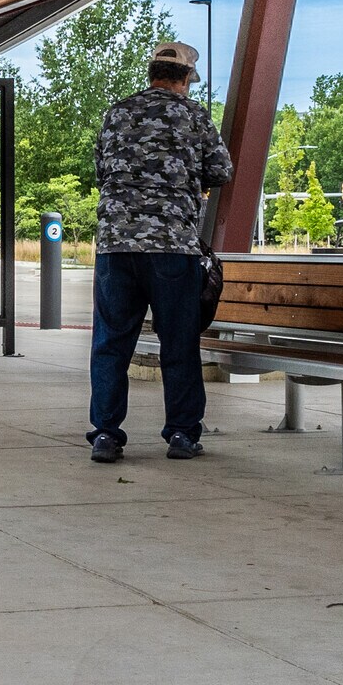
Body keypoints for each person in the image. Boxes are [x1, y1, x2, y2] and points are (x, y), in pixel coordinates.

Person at [87, 42, 233, 463]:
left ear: (152, 72)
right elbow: (221, 171)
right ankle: (183, 434)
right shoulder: (193, 116)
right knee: (179, 342)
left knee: (111, 343)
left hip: (116, 246)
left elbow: (101, 170)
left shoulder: (116, 114)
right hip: (173, 247)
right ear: (185, 78)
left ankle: (106, 435)